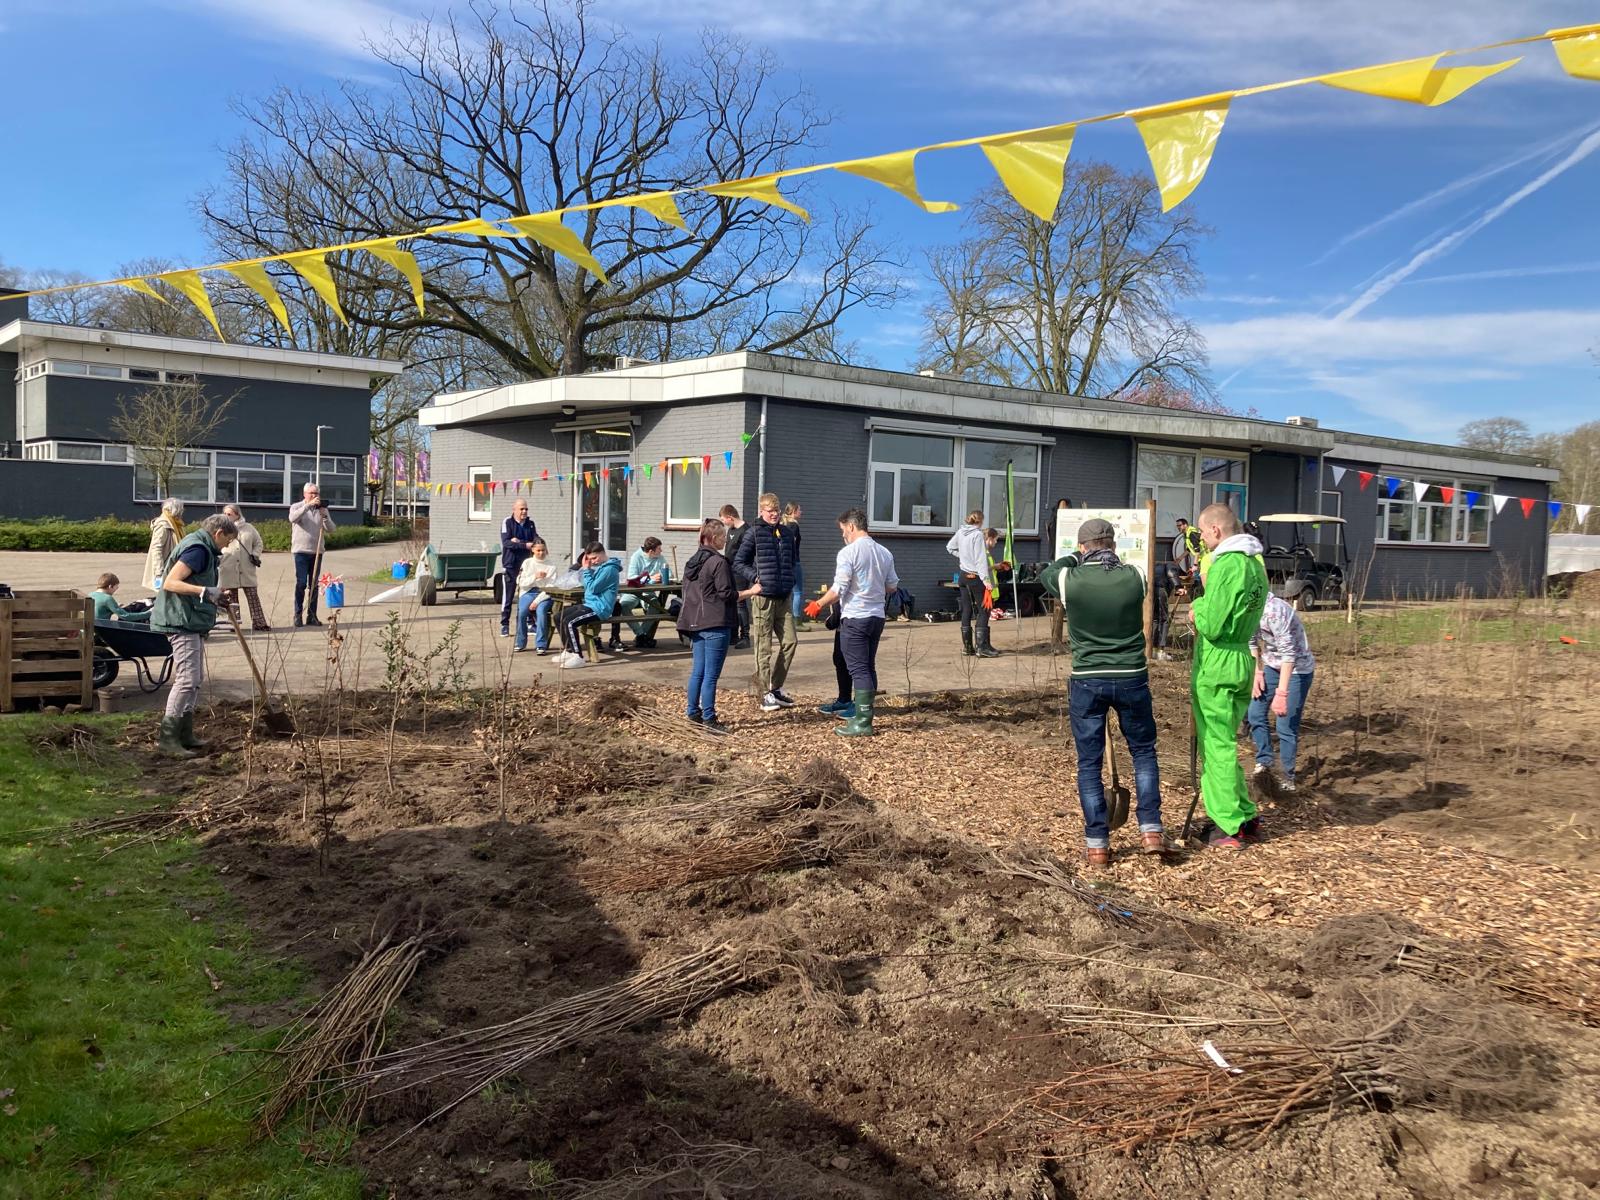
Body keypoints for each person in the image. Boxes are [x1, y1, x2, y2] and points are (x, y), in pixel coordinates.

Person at [1041, 518, 1169, 866]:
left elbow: (1048, 573)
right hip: (1131, 676)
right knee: (1143, 752)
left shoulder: (1071, 579)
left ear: (1084, 547)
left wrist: (1072, 556)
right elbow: (1134, 571)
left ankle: (1097, 843)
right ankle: (1151, 830)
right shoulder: (1134, 577)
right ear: (1113, 544)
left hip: (1088, 678)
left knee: (1089, 763)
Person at [1189, 503, 1269, 850]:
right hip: (1242, 657)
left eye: (1203, 533)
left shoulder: (1226, 564)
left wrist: (1196, 609)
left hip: (1219, 661)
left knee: (1215, 745)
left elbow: (1213, 622)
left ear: (1216, 531)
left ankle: (1229, 824)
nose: (1203, 540)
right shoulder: (1255, 564)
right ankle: (1244, 813)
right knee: (1228, 741)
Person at [805, 508, 898, 738]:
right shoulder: (884, 552)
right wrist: (872, 586)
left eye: (843, 530)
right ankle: (864, 712)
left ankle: (863, 722)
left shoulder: (848, 553)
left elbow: (839, 589)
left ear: (851, 526)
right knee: (868, 666)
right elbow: (892, 586)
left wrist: (818, 604)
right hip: (877, 617)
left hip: (855, 617)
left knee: (857, 669)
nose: (843, 535)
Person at [150, 513, 238, 758]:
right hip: (181, 621)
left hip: (191, 620)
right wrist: (205, 591)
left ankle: (185, 733)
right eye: (228, 540)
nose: (227, 546)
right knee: (187, 680)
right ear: (218, 533)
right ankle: (168, 739)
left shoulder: (203, 548)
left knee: (195, 679)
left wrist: (214, 595)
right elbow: (171, 583)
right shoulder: (198, 549)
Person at [679, 518, 762, 734]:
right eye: (723, 537)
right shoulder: (719, 562)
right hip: (716, 623)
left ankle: (692, 712)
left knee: (698, 671)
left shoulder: (692, 562)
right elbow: (726, 594)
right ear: (714, 538)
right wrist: (751, 592)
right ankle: (709, 719)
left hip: (695, 623)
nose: (725, 540)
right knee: (711, 675)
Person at [734, 492, 800, 712]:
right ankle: (764, 694)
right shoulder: (753, 533)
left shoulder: (788, 533)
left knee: (790, 642)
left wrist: (789, 579)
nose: (773, 514)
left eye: (776, 510)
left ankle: (776, 687)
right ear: (762, 511)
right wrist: (755, 578)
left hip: (784, 597)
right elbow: (738, 562)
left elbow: (792, 561)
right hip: (763, 599)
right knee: (764, 648)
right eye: (770, 511)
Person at [1248, 593, 1316, 795]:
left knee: (1284, 724)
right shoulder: (1248, 608)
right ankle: (1264, 762)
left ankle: (1287, 777)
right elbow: (1251, 641)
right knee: (1255, 713)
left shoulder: (1274, 611)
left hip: (1297, 669)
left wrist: (1282, 693)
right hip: (1271, 665)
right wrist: (1257, 673)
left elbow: (1289, 654)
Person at [554, 543, 621, 669]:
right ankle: (568, 651)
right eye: (589, 559)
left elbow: (592, 588)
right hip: (589, 604)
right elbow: (588, 587)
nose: (592, 562)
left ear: (602, 553)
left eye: (594, 558)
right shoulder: (600, 567)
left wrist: (586, 570)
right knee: (558, 616)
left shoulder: (610, 569)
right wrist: (588, 570)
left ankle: (578, 656)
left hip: (600, 609)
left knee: (569, 622)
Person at [945, 511, 1001, 659]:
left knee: (966, 610)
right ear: (980, 521)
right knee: (984, 610)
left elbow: (950, 547)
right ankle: (982, 647)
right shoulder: (977, 535)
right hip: (975, 576)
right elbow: (980, 560)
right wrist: (987, 581)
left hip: (963, 576)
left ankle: (968, 647)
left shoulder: (960, 532)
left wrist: (963, 557)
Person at [288, 481, 335, 627]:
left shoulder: (323, 509)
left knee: (314, 585)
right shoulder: (297, 506)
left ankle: (312, 616)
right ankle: (297, 615)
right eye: (312, 493)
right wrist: (307, 506)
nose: (315, 496)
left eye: (316, 493)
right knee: (301, 583)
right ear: (305, 494)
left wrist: (325, 517)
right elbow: (292, 518)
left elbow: (332, 529)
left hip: (317, 551)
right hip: (301, 551)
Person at [613, 536, 672, 650]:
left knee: (656, 606)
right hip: (634, 592)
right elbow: (631, 579)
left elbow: (670, 574)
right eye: (659, 548)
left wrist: (663, 577)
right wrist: (650, 579)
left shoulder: (660, 558)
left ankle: (641, 636)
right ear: (651, 551)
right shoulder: (636, 557)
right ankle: (641, 635)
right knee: (623, 605)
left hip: (648, 592)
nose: (661, 551)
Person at [218, 503, 270, 631]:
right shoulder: (220, 529)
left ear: (237, 514)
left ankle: (259, 623)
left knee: (253, 596)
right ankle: (234, 624)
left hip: (246, 568)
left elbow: (258, 543)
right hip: (228, 567)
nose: (226, 516)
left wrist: (255, 555)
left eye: (229, 514)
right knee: (231, 598)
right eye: (224, 514)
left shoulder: (249, 528)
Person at [513, 537, 560, 653]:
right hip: (528, 591)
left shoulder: (551, 565)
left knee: (541, 611)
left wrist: (536, 601)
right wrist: (535, 576)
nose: (541, 553)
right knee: (522, 612)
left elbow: (550, 587)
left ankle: (541, 644)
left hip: (545, 594)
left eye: (543, 550)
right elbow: (520, 582)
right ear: (533, 550)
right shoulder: (527, 563)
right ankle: (520, 642)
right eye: (538, 550)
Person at [499, 498, 538, 637]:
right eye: (521, 509)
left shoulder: (530, 524)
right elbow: (507, 543)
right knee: (508, 596)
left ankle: (529, 623)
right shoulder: (507, 523)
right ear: (514, 509)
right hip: (511, 564)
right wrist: (524, 544)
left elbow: (536, 542)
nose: (524, 511)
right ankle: (504, 624)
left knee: (528, 594)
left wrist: (518, 541)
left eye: (526, 509)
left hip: (526, 565)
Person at [720, 504, 752, 649]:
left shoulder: (746, 531)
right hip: (729, 570)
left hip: (740, 571)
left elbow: (748, 554)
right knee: (730, 601)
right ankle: (733, 635)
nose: (724, 523)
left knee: (740, 602)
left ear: (730, 517)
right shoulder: (730, 530)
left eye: (724, 520)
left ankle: (745, 636)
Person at [141, 498, 185, 591]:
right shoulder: (163, 525)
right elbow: (156, 548)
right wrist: (159, 572)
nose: (181, 512)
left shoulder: (178, 525)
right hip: (165, 567)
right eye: (180, 509)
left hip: (174, 564)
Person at [784, 502, 807, 625]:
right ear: (793, 511)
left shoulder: (784, 524)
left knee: (788, 591)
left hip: (787, 562)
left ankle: (787, 619)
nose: (801, 512)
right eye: (799, 510)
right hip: (794, 562)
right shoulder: (793, 526)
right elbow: (791, 544)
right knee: (797, 592)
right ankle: (796, 620)